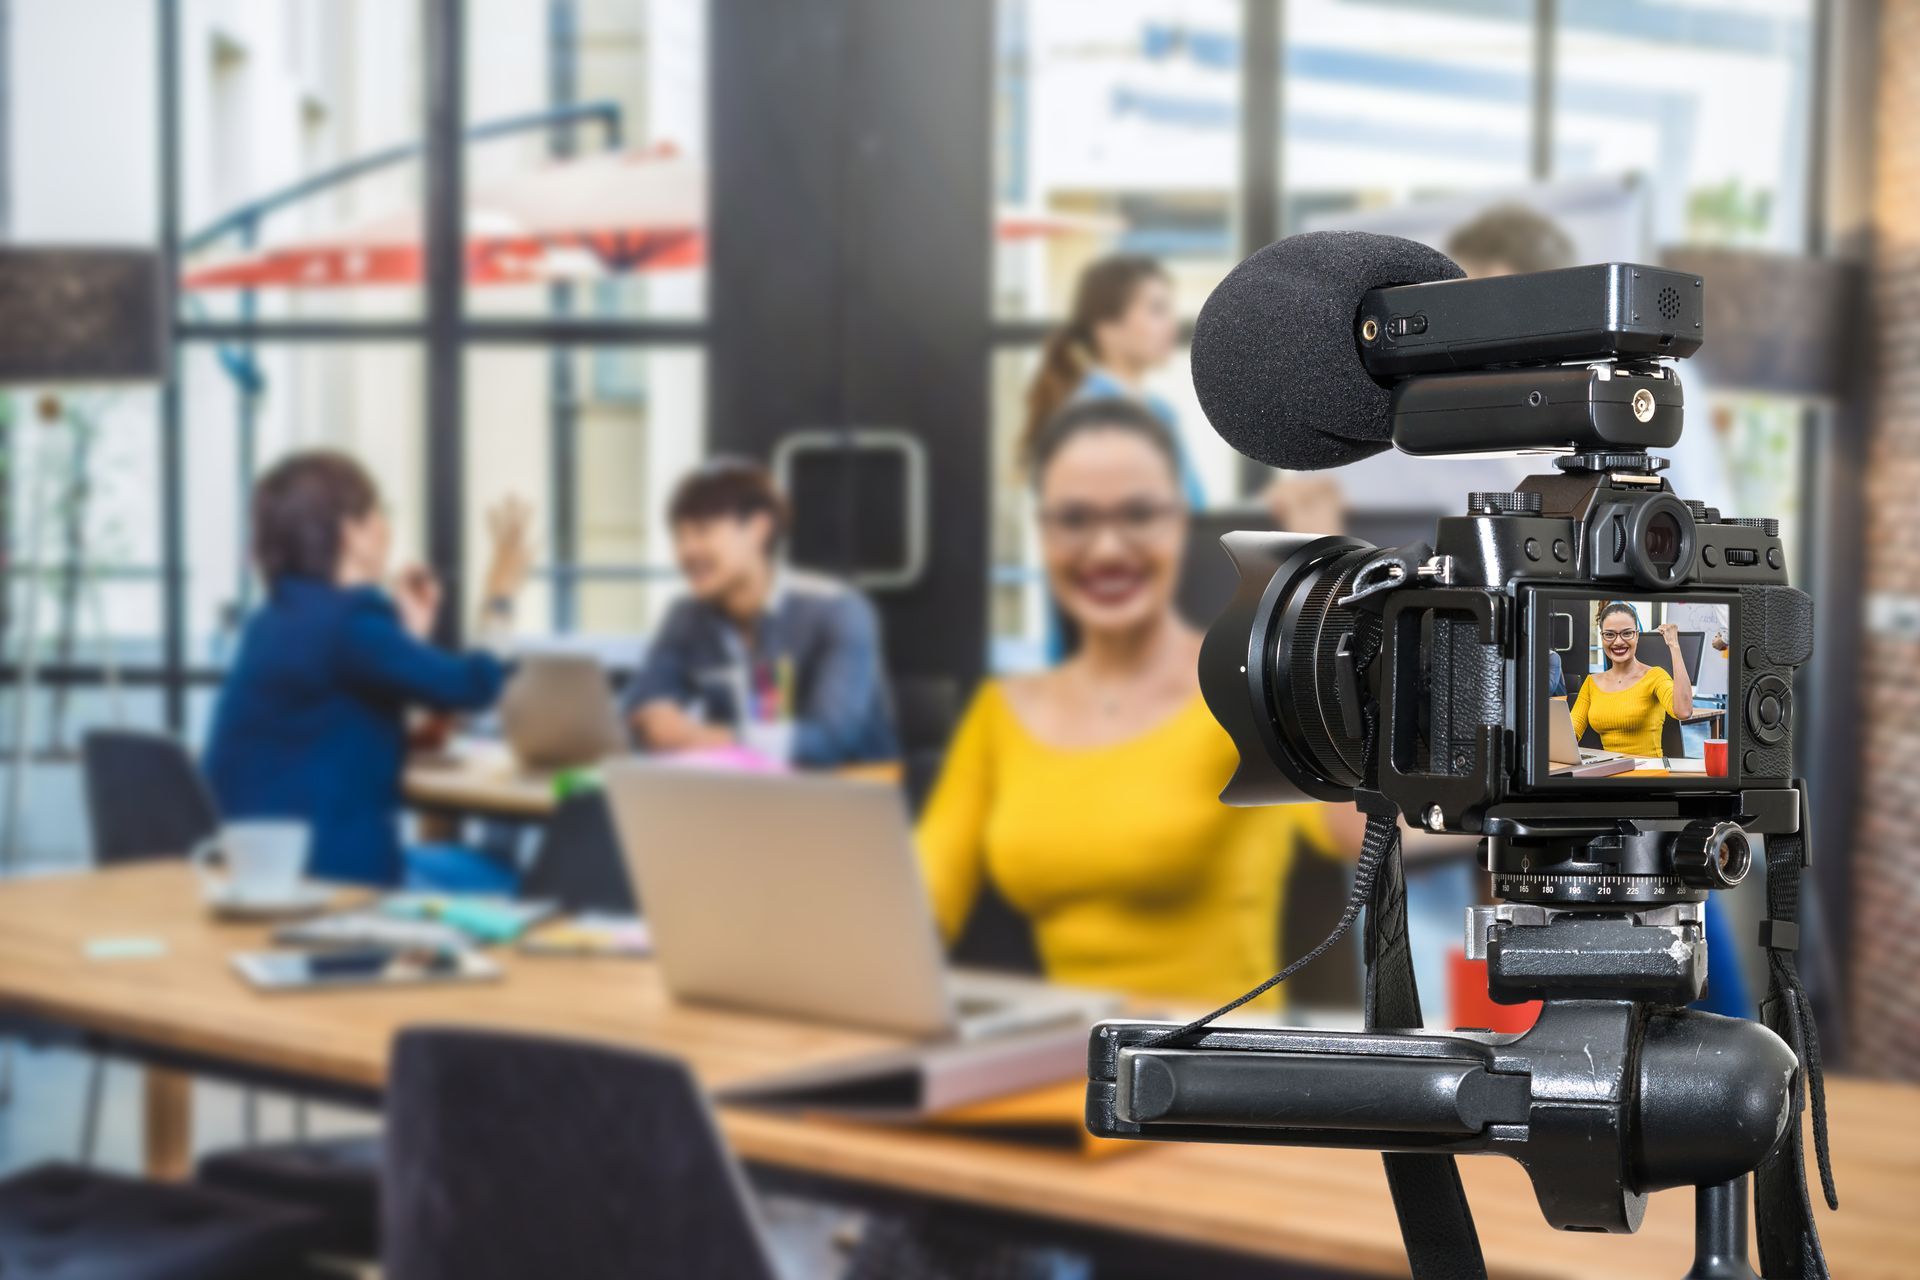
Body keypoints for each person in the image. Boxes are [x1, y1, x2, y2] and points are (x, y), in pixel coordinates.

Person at [917, 398, 1365, 1007]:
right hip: (1067, 1068)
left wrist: (1316, 608)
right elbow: (920, 907)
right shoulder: (1001, 713)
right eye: (1074, 519)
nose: (1105, 550)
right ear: (1043, 535)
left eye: (1138, 514)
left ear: (1179, 522)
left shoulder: (1241, 687)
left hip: (1216, 1069)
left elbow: (1355, 831)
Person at [203, 451, 533, 887]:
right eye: (379, 513)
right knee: (509, 880)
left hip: (255, 872)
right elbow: (473, 685)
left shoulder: (272, 620)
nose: (386, 529)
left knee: (463, 862)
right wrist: (500, 601)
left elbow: (334, 724)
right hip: (335, 882)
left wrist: (406, 638)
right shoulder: (352, 621)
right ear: (352, 534)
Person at [623, 457, 898, 768]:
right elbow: (640, 710)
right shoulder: (686, 616)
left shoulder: (837, 610)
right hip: (740, 795)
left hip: (847, 795)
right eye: (680, 536)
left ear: (758, 529)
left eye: (702, 531)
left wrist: (698, 736)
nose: (686, 551)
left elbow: (827, 740)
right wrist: (656, 720)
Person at [1023, 254, 1199, 508]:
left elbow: (1192, 509)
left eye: (1170, 311)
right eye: (1157, 310)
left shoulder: (1161, 411)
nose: (1172, 326)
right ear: (1105, 326)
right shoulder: (1087, 418)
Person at [1569, 602, 1695, 757]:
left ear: (1637, 635)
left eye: (1627, 633)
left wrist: (1674, 645)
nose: (1618, 642)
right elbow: (1571, 732)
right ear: (1602, 637)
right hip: (1610, 771)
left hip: (1649, 772)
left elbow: (1684, 711)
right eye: (1609, 634)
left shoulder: (1655, 676)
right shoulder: (1591, 682)